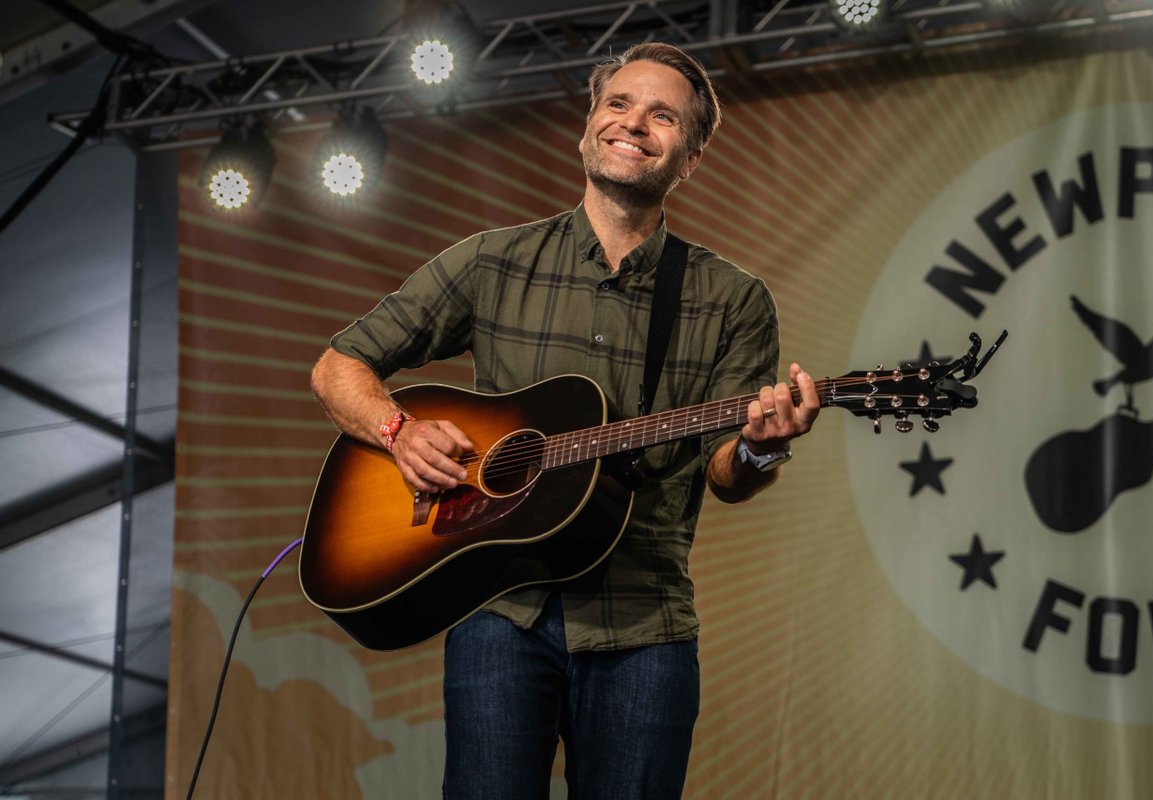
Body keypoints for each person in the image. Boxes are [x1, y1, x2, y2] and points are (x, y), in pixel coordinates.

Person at [310, 42, 820, 799]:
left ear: (691, 158)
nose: (633, 123)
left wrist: (758, 450)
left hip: (645, 623)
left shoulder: (732, 300)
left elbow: (727, 474)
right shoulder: (493, 261)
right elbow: (338, 366)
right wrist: (399, 431)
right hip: (498, 613)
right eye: (617, 104)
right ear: (587, 127)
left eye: (662, 116)